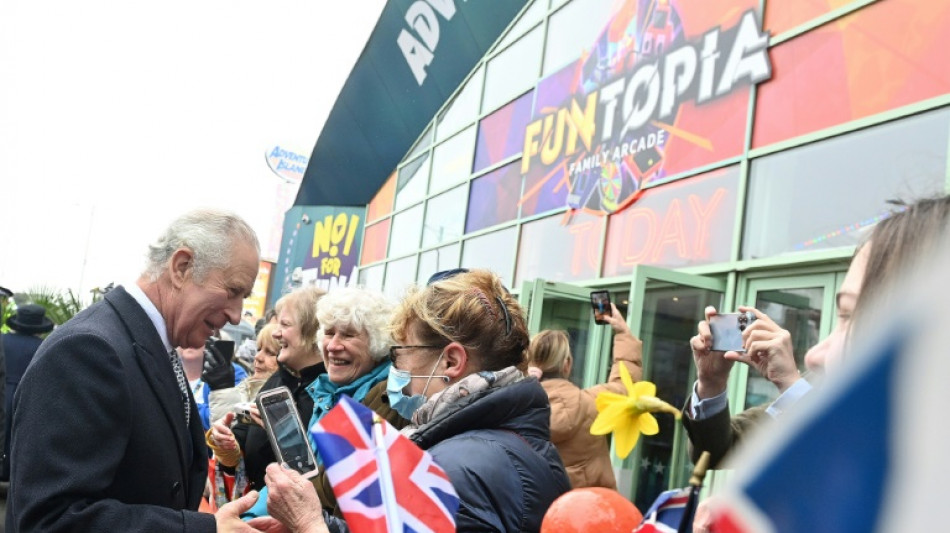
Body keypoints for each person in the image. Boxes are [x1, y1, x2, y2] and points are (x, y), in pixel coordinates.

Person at [6, 208, 268, 532]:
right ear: (182, 267)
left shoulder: (149, 344)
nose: (237, 315)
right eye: (233, 291)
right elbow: (52, 520)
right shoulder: (89, 351)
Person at [262, 268, 571, 532]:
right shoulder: (497, 442)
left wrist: (308, 523)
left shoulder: (453, 470)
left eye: (402, 352)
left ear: (451, 362)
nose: (396, 368)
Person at [239, 286, 408, 519]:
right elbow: (302, 475)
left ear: (376, 342)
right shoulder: (327, 393)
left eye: (348, 335)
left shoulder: (386, 396)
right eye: (329, 333)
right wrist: (249, 517)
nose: (333, 346)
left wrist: (253, 517)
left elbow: (322, 486)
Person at [207, 285, 326, 493]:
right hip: (255, 507)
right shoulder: (278, 380)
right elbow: (241, 442)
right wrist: (228, 445)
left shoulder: (329, 391)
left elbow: (315, 474)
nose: (277, 333)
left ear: (311, 331)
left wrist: (282, 434)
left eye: (285, 324)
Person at [525, 303, 643, 489]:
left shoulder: (515, 413)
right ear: (567, 364)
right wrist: (623, 334)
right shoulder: (594, 403)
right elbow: (626, 386)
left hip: (537, 515)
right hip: (592, 512)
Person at [1, 303, 53, 482]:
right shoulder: (44, 346)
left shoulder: (2, 340)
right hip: (27, 395)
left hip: (2, 391)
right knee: (18, 437)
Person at [208, 323, 282, 426]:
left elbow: (233, 436)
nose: (258, 357)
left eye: (270, 352)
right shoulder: (245, 387)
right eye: (259, 349)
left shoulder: (279, 402)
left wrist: (223, 390)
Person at [179, 339, 249, 432]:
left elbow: (230, 416)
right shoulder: (169, 367)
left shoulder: (230, 371)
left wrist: (181, 407)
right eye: (186, 332)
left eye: (199, 331)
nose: (191, 340)